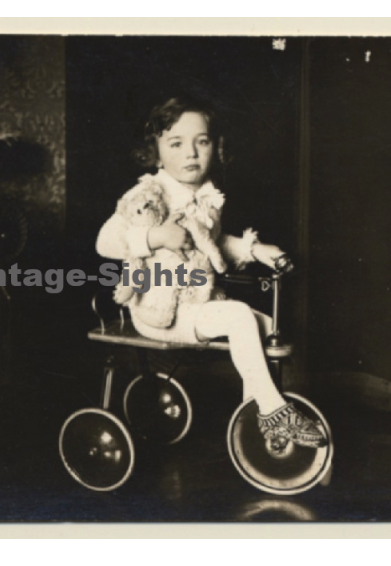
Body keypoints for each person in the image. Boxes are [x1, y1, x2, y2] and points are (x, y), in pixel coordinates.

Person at [96, 96, 326, 449]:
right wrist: (156, 235)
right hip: (159, 309)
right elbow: (106, 242)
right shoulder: (148, 193)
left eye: (201, 142)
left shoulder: (205, 198)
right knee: (238, 318)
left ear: (215, 148)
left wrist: (255, 249)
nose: (191, 153)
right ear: (155, 153)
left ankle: (258, 413)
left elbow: (215, 243)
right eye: (176, 143)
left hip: (194, 301)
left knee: (267, 326)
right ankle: (272, 414)